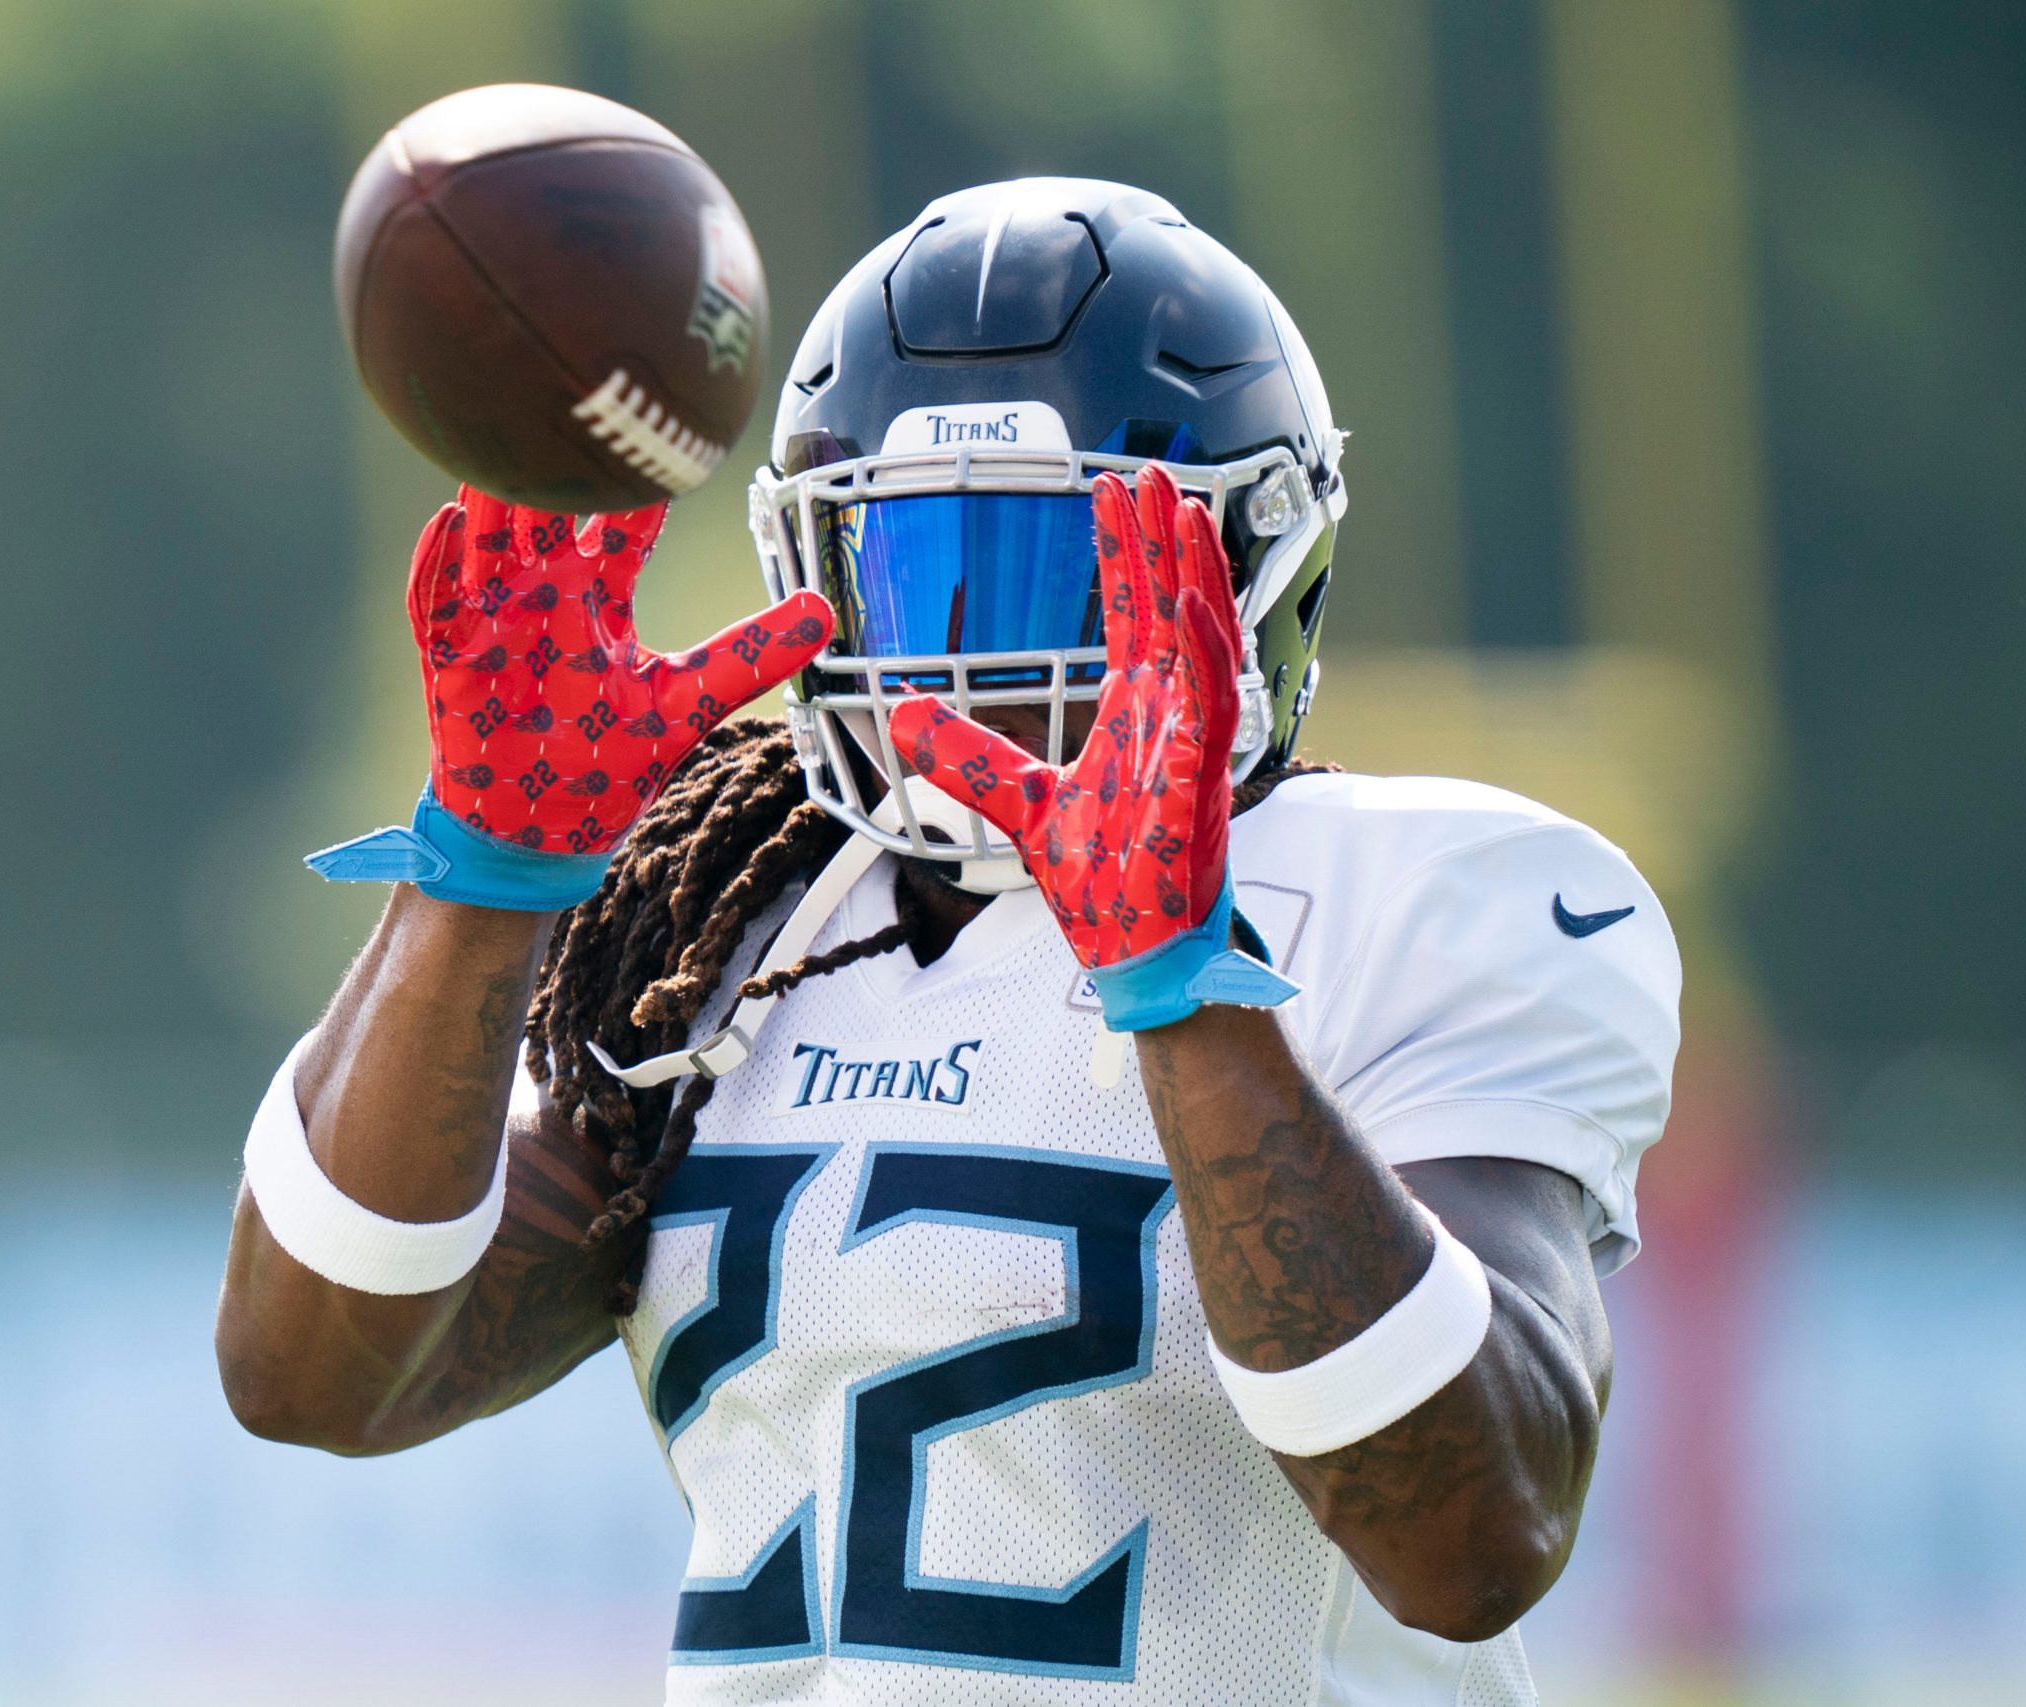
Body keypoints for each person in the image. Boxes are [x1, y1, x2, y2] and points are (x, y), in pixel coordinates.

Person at [216, 178, 1680, 1705]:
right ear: (815, 585)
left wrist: (1187, 991)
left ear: (1255, 569)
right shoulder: (734, 925)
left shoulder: (1434, 894)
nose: (974, 664)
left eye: (1065, 571)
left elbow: (1476, 1534)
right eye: (911, 579)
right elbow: (314, 1373)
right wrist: (481, 879)